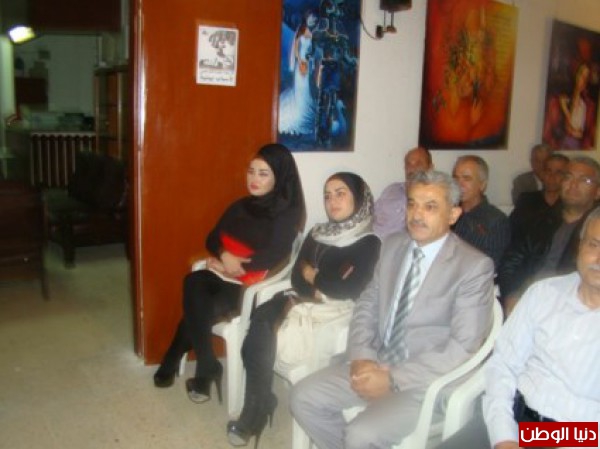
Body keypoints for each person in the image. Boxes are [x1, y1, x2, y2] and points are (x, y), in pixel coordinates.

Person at [290, 170, 495, 449]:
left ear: (453, 214)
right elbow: (367, 304)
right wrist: (362, 356)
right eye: (412, 204)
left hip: (424, 381)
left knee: (361, 434)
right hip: (375, 359)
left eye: (430, 206)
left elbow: (463, 347)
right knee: (302, 397)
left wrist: (392, 379)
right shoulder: (392, 245)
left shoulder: (473, 266)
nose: (417, 214)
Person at [226, 172, 381, 447]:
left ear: (359, 199)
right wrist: (319, 282)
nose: (332, 201)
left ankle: (253, 414)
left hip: (335, 313)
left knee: (262, 333)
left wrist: (314, 276)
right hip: (300, 299)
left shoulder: (369, 242)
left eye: (340, 193)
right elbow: (298, 277)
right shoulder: (318, 232)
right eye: (327, 195)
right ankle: (259, 404)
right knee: (260, 319)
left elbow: (349, 288)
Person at [435, 207, 600, 449]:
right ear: (580, 246)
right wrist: (505, 437)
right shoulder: (544, 293)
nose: (598, 259)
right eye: (594, 245)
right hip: (511, 418)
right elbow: (503, 365)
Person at [152, 144, 306, 404]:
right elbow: (212, 237)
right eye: (251, 171)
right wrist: (224, 255)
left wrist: (233, 267)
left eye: (263, 173)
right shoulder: (241, 206)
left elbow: (274, 255)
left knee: (198, 307)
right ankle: (207, 363)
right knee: (193, 281)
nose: (254, 179)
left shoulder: (287, 214)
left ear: (279, 177)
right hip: (224, 275)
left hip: (251, 287)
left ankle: (180, 358)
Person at [498, 156, 600, 315]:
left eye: (584, 180)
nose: (573, 185)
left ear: (598, 192)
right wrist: (511, 295)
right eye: (568, 177)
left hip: (571, 307)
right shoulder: (537, 221)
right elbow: (511, 261)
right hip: (526, 299)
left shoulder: (595, 233)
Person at [452, 155, 510, 270]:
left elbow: (490, 266)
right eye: (456, 178)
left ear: (482, 185)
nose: (459, 184)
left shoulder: (496, 221)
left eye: (467, 178)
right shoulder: (447, 213)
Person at [373, 146, 433, 239]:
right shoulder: (391, 190)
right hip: (372, 241)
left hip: (399, 246)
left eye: (418, 163)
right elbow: (371, 216)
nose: (412, 168)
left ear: (430, 168)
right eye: (408, 164)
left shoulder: (433, 199)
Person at [509, 153, 569, 244]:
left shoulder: (570, 204)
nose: (552, 177)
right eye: (548, 171)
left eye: (559, 172)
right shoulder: (527, 200)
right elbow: (512, 231)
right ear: (542, 174)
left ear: (567, 177)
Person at [278, 11, 318, 137]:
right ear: (306, 19)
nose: (312, 21)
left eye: (313, 19)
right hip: (301, 62)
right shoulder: (302, 30)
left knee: (304, 86)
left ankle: (304, 105)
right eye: (310, 19)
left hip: (307, 62)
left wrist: (308, 61)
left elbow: (313, 48)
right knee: (300, 85)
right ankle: (298, 107)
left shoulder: (312, 31)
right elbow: (295, 49)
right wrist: (300, 61)